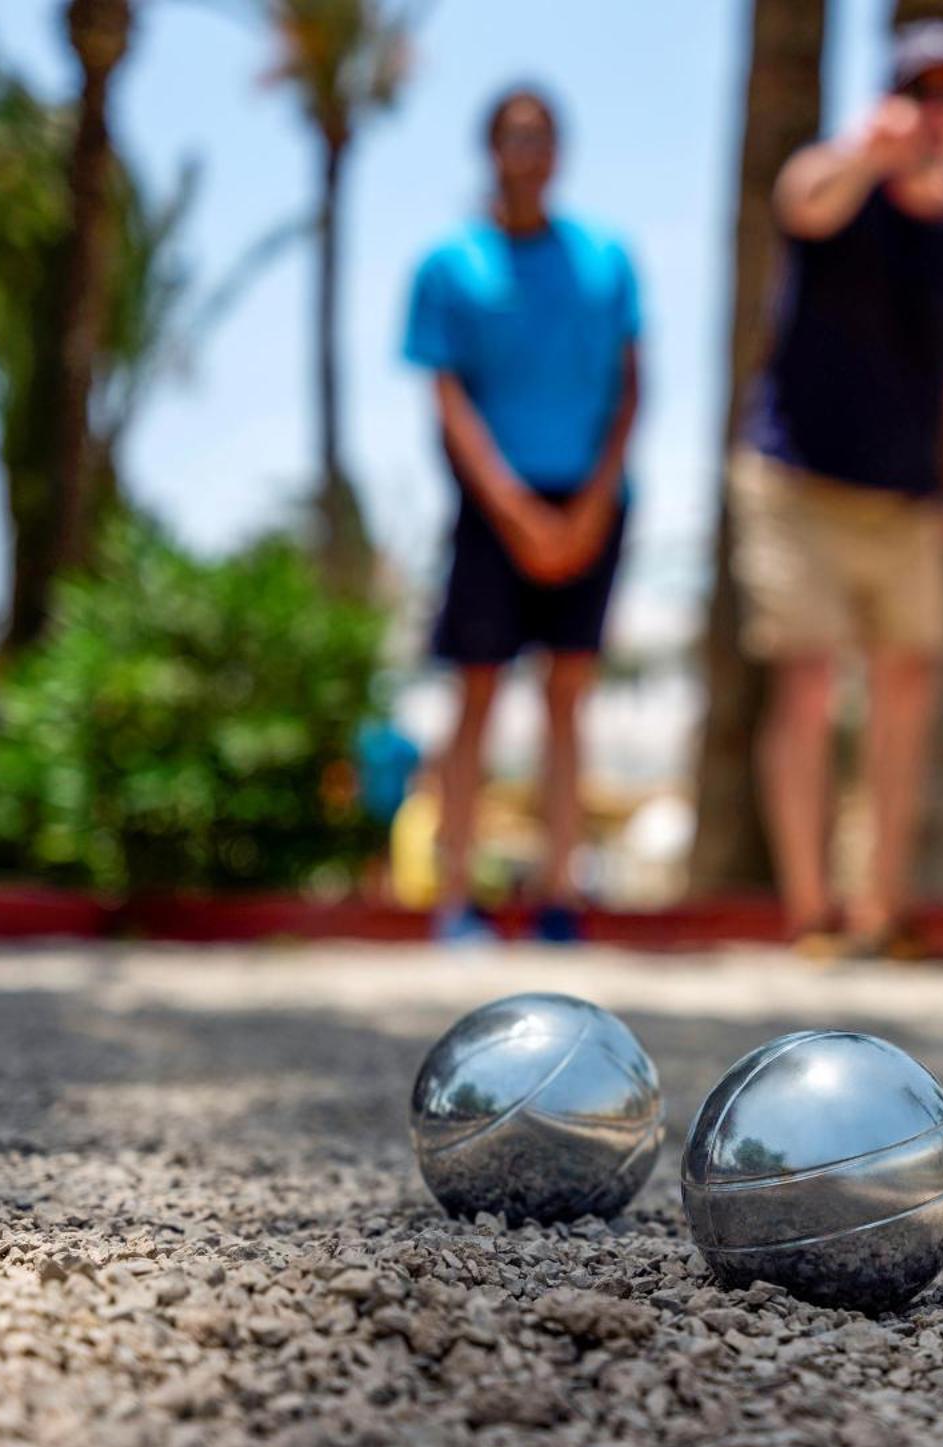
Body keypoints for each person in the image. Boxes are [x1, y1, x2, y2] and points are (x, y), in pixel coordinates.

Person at [733, 19, 943, 958]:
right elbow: (800, 204)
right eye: (919, 92)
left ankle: (878, 909)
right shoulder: (840, 177)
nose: (937, 112)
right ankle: (812, 913)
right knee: (809, 686)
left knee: (903, 695)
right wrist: (865, 153)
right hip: (796, 479)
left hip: (906, 494)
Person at [404, 86, 643, 944]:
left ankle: (558, 899)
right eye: (514, 135)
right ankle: (455, 899)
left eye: (543, 135)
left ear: (561, 150)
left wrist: (587, 506)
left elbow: (630, 385)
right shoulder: (449, 266)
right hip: (491, 510)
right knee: (474, 694)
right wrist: (511, 508)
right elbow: (446, 397)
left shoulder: (607, 258)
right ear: (491, 147)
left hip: (591, 503)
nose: (529, 150)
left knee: (568, 698)